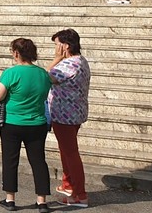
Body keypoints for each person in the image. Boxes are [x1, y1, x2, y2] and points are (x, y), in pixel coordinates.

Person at [0, 38, 52, 213]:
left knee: (10, 161)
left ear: (16, 53)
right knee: (39, 161)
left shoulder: (11, 73)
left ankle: (10, 200)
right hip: (37, 123)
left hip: (12, 123)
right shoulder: (42, 74)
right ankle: (42, 201)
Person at [48, 29, 91, 208]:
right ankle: (68, 185)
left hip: (65, 115)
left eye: (57, 44)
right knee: (66, 151)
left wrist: (56, 58)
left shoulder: (68, 64)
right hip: (74, 112)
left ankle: (80, 195)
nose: (56, 48)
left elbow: (45, 77)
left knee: (71, 153)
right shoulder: (81, 61)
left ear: (65, 45)